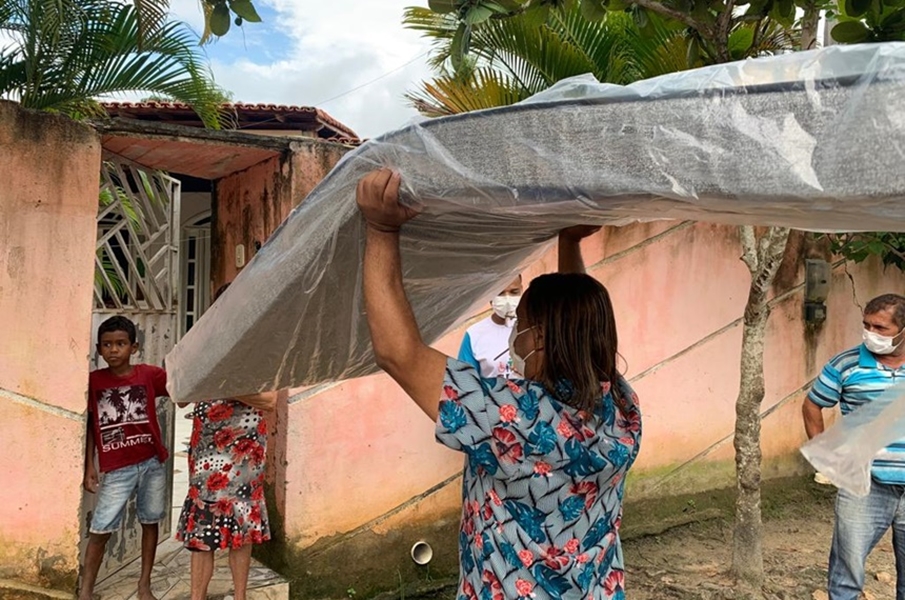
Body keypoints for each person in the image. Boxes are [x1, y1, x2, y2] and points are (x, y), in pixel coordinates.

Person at [356, 169, 641, 600]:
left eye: (520, 325)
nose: (514, 335)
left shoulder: (509, 417)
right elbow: (577, 325)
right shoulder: (622, 405)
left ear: (540, 337)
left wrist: (381, 227)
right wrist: (569, 241)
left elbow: (399, 352)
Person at [175, 283, 277, 600]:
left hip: (245, 450)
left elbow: (269, 400)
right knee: (202, 522)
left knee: (242, 523)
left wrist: (221, 379)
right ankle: (197, 596)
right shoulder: (200, 344)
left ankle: (241, 595)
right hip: (207, 450)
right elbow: (180, 395)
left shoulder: (261, 348)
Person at [803, 293, 905, 600]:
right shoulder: (845, 363)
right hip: (863, 487)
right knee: (846, 577)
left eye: (880, 327)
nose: (870, 333)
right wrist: (828, 460)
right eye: (866, 325)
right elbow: (811, 406)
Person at [80, 316, 169, 600]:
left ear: (134, 347)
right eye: (107, 345)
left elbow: (181, 387)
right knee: (100, 527)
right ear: (98, 348)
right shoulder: (93, 382)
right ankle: (86, 591)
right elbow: (92, 426)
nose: (113, 350)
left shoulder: (150, 375)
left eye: (120, 344)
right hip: (117, 468)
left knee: (150, 520)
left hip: (151, 463)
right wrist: (89, 466)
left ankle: (144, 584)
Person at [458, 276, 523, 379]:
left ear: (521, 290)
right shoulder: (474, 334)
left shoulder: (536, 328)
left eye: (514, 292)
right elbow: (465, 383)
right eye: (500, 293)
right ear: (490, 295)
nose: (507, 300)